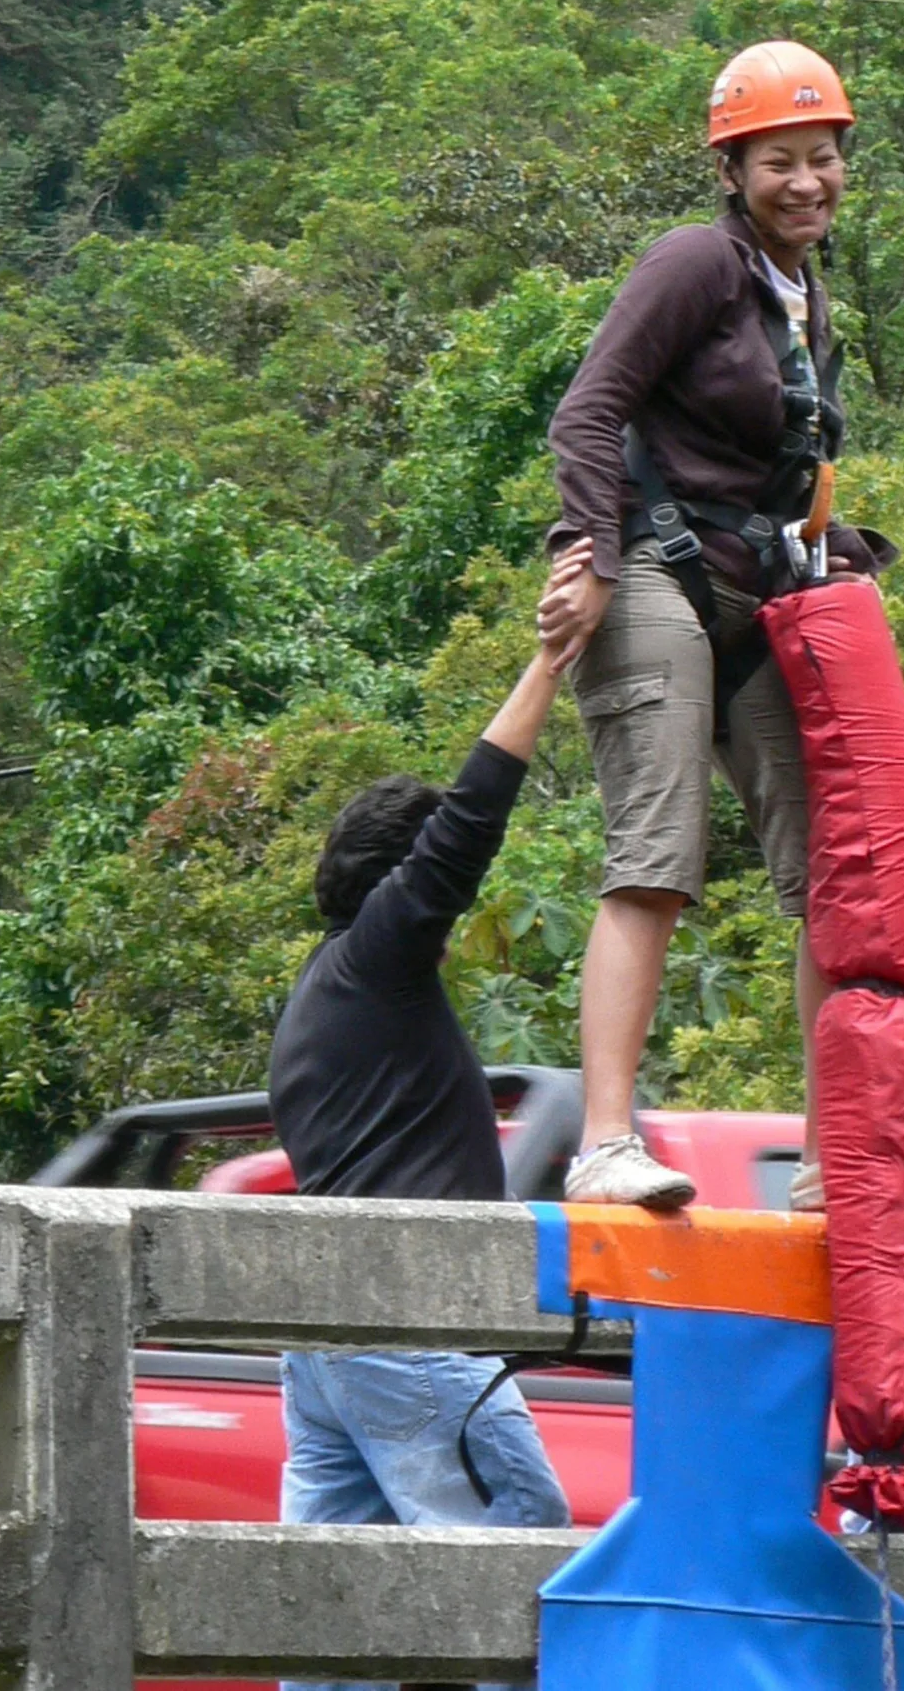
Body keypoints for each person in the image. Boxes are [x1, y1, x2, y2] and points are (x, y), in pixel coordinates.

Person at [537, 39, 893, 1208]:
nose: (806, 180)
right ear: (731, 169)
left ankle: (829, 1156)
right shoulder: (695, 263)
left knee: (831, 876)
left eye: (823, 157)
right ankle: (602, 1142)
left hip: (766, 590)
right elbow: (585, 415)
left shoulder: (802, 295)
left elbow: (782, 473)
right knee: (657, 857)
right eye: (779, 161)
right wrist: (584, 556)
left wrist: (840, 561)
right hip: (655, 570)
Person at [269, 558, 591, 1691]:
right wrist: (550, 660)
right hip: (398, 1324)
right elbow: (470, 820)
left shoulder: (318, 993)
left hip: (323, 1343)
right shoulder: (379, 957)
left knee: (335, 1608)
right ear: (397, 885)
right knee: (517, 1539)